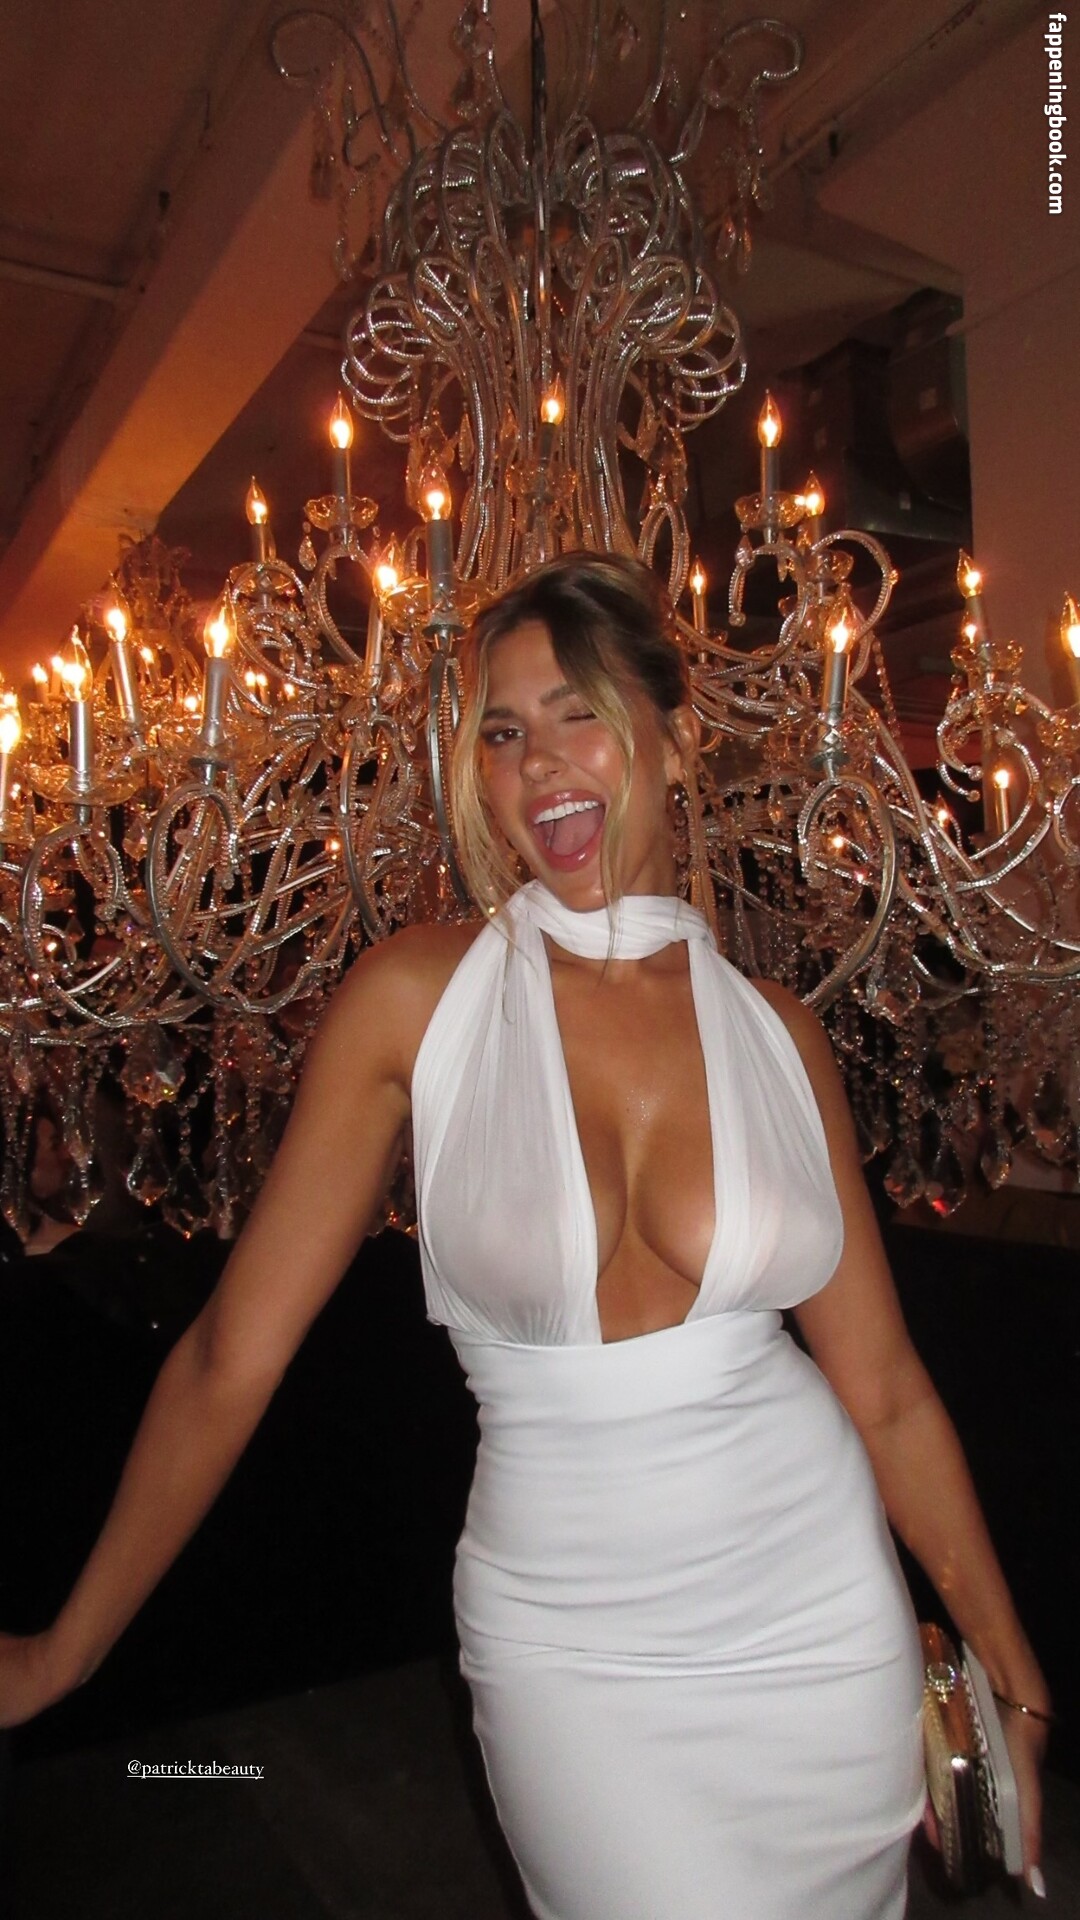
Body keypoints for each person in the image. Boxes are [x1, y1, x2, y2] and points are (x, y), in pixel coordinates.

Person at [0, 553, 1051, 1916]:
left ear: (676, 738)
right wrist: (65, 1654)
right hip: (570, 1648)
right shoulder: (416, 1000)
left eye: (578, 713)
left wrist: (1013, 1676)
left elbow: (889, 1393)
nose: (538, 762)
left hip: (818, 1623)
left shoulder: (782, 1036)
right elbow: (227, 1359)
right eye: (501, 733)